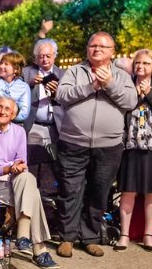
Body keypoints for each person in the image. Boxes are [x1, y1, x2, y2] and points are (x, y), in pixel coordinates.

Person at [54, 32, 136, 257]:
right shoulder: (74, 71)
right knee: (69, 191)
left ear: (113, 51)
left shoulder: (121, 76)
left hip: (108, 145)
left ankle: (89, 237)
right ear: (87, 49)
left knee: (98, 192)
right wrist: (91, 86)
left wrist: (109, 84)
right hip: (73, 142)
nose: (97, 49)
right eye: (93, 45)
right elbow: (62, 95)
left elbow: (130, 101)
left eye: (103, 46)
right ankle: (67, 237)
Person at [0, 96, 59, 269]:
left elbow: (22, 161)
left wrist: (18, 166)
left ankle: (24, 237)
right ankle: (38, 248)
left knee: (27, 177)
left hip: (15, 180)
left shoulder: (19, 131)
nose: (1, 111)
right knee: (33, 193)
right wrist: (6, 169)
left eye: (7, 109)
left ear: (14, 114)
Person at [116, 49, 152, 251]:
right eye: (138, 63)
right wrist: (137, 96)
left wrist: (149, 94)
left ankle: (148, 235)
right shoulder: (126, 83)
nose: (141, 66)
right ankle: (124, 235)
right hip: (130, 143)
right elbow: (122, 108)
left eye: (146, 63)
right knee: (128, 190)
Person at [22, 38, 64, 196]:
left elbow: (69, 100)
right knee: (33, 162)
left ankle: (48, 197)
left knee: (52, 163)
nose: (44, 59)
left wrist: (57, 92)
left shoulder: (64, 74)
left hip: (55, 126)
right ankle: (31, 195)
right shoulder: (27, 73)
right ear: (35, 58)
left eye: (48, 56)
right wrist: (31, 84)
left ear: (55, 56)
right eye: (41, 56)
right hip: (34, 125)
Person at [0, 51, 31, 121]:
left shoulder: (24, 87)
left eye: (6, 64)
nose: (1, 66)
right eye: (1, 63)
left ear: (16, 69)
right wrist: (3, 103)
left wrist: (5, 116)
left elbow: (24, 113)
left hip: (13, 125)